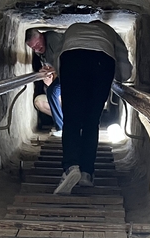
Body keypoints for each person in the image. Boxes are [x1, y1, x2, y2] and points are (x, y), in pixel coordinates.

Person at [52, 21, 132, 194]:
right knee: (92, 121)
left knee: (72, 120)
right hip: (102, 61)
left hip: (72, 57)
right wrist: (120, 79)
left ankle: (71, 167)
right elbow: (124, 65)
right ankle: (87, 173)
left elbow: (57, 55)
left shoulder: (72, 29)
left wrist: (63, 76)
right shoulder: (109, 31)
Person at [25, 28, 63, 132]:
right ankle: (65, 123)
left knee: (53, 91)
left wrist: (52, 70)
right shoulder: (41, 52)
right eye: (33, 48)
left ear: (42, 36)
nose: (37, 49)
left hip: (70, 78)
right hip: (60, 89)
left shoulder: (53, 39)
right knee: (39, 101)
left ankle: (62, 127)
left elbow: (65, 62)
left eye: (37, 44)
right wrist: (47, 75)